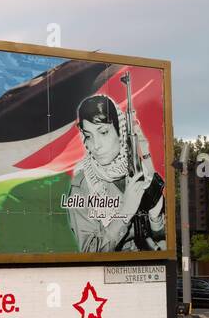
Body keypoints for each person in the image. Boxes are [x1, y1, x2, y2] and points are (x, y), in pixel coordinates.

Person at [65, 94, 165, 252]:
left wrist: (156, 217)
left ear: (121, 132)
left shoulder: (138, 170)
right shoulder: (83, 185)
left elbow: (163, 238)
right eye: (88, 136)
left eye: (103, 132)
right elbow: (90, 250)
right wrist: (125, 213)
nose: (96, 145)